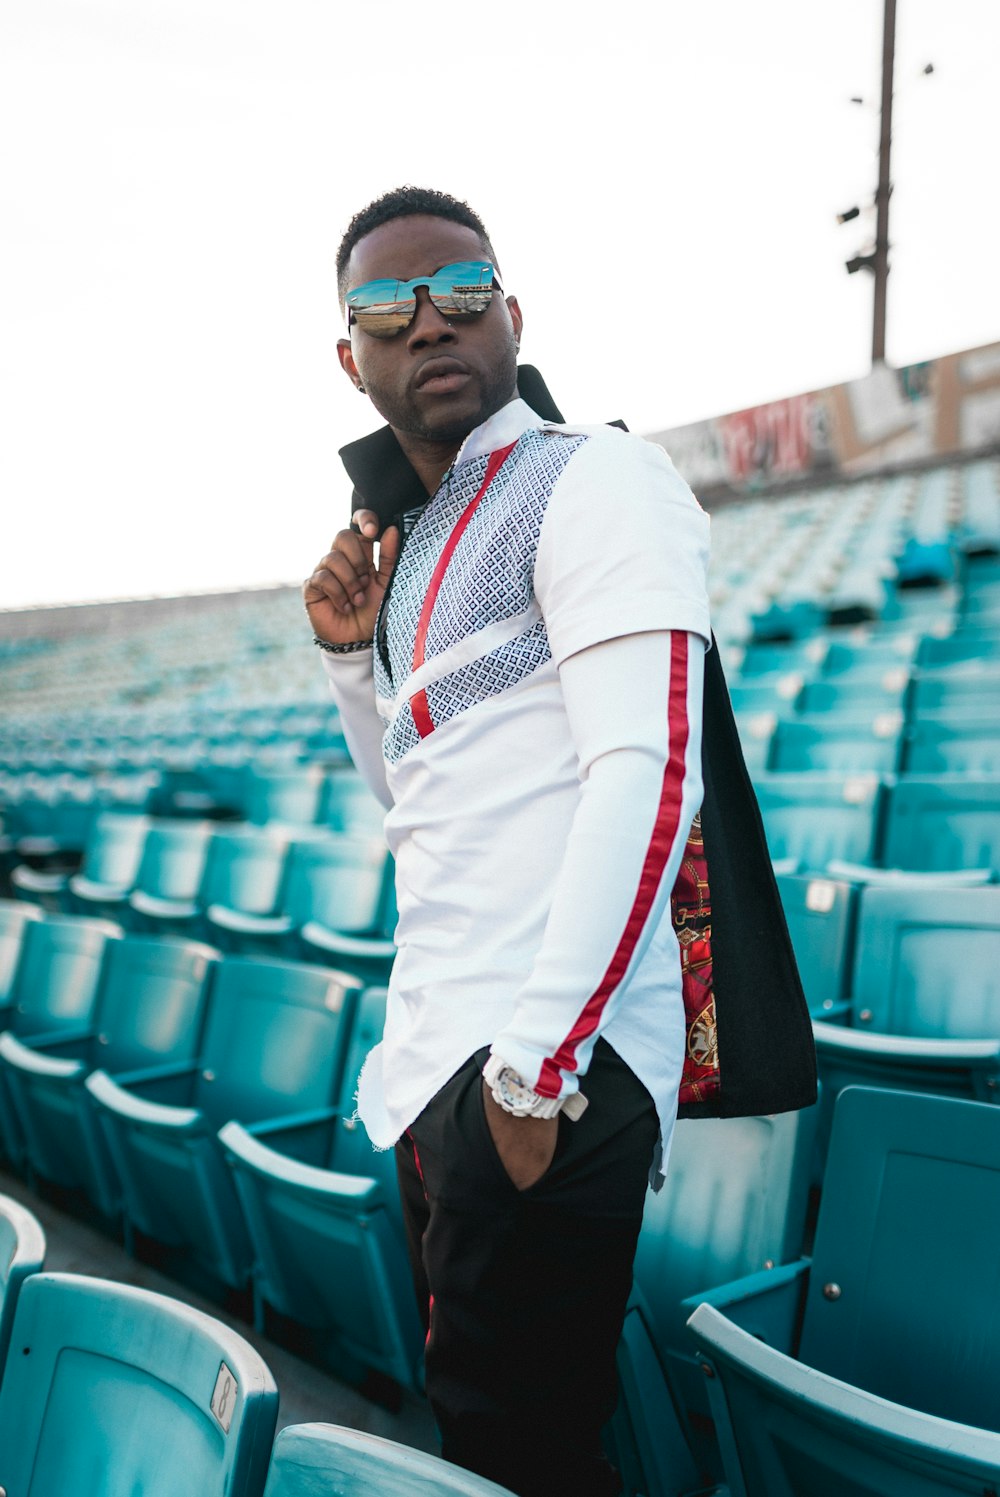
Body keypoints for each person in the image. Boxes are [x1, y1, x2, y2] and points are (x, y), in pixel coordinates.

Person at [303, 186, 810, 1497]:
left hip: (541, 1064)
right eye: (386, 305)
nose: (430, 320)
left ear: (512, 314)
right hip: (441, 1059)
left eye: (462, 287)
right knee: (482, 1440)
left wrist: (533, 1070)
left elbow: (648, 776)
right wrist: (354, 668)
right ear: (347, 356)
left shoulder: (596, 475)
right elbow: (415, 809)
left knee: (522, 1450)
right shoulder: (405, 554)